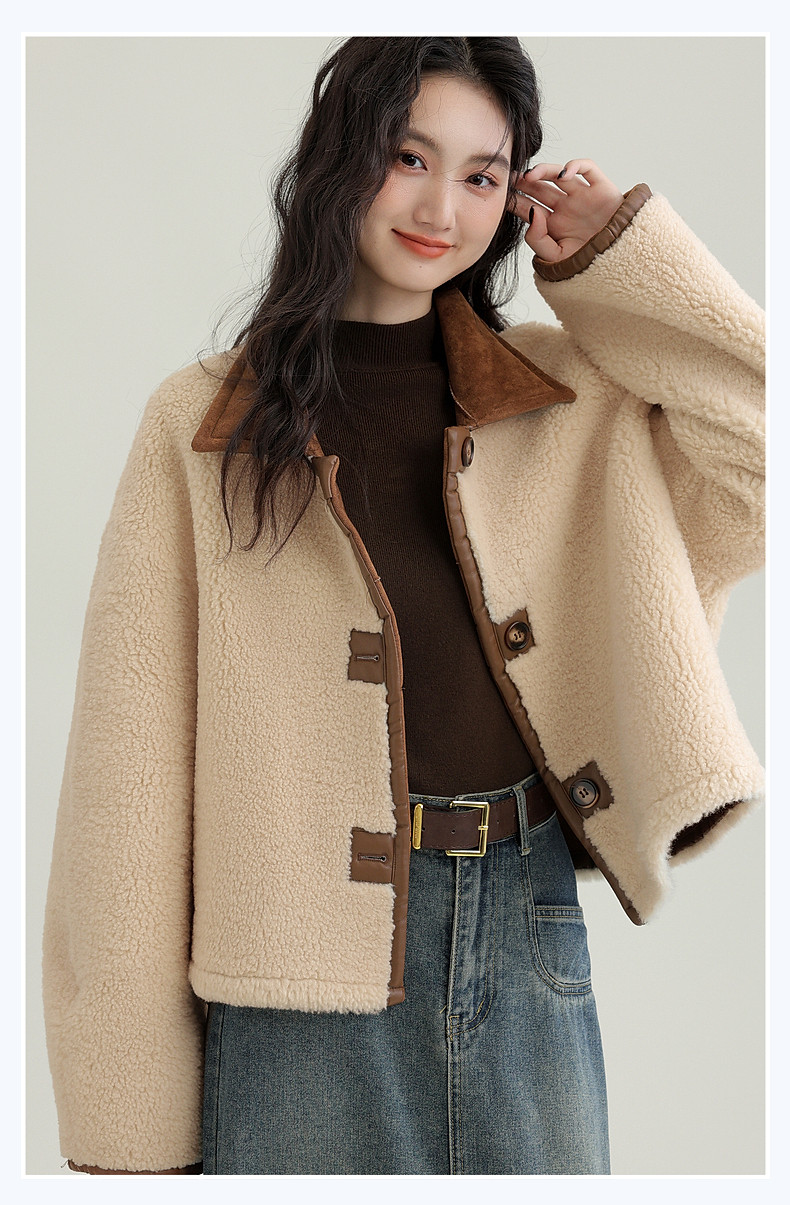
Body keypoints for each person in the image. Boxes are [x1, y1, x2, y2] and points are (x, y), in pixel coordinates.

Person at [42, 36, 765, 1176]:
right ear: (342, 159)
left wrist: (621, 260)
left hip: (526, 928)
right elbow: (125, 784)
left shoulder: (565, 402)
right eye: (408, 156)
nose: (440, 208)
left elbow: (760, 455)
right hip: (287, 982)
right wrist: (126, 1122)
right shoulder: (200, 425)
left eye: (482, 175)